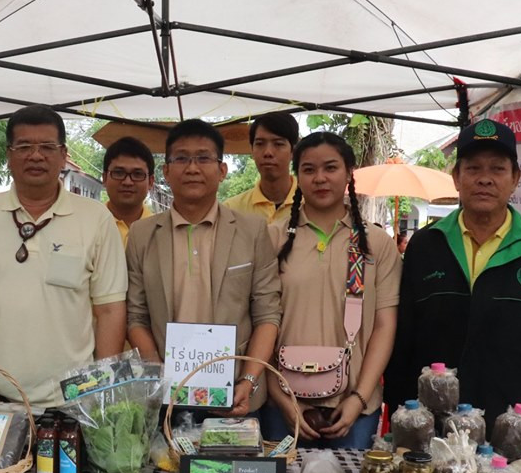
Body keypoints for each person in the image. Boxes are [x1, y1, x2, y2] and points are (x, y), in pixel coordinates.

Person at [385, 119, 521, 429]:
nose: (485, 179)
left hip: (514, 431)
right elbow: (404, 342)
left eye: (497, 169)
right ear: (456, 177)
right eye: (473, 169)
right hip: (432, 430)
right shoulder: (426, 246)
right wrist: (401, 419)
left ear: (515, 178)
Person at [0, 105, 128, 408]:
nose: (35, 156)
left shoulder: (95, 218)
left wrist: (98, 397)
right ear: (9, 154)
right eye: (24, 147)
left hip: (72, 402)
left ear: (63, 154)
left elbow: (110, 310)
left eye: (47, 147)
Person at [126, 119, 281, 416]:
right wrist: (162, 378)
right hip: (167, 401)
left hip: (237, 397)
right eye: (181, 158)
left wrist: (248, 381)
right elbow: (136, 316)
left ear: (222, 170)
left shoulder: (252, 231)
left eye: (204, 158)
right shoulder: (142, 234)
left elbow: (267, 314)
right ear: (166, 171)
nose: (193, 168)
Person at [260, 132, 401, 448]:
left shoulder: (375, 244)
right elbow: (260, 323)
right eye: (309, 169)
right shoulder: (272, 239)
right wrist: (279, 396)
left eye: (331, 168)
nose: (320, 178)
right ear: (297, 176)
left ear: (349, 172)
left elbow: (384, 326)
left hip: (353, 409)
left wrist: (359, 398)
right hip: (282, 405)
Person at [224, 111, 299, 223]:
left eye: (278, 144)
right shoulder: (231, 210)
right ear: (252, 150)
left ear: (293, 151)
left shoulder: (312, 205)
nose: (268, 152)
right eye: (260, 144)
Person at [102, 136, 154, 247]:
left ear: (150, 182)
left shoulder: (160, 230)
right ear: (105, 178)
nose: (127, 182)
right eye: (119, 173)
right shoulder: (88, 225)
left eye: (137, 174)